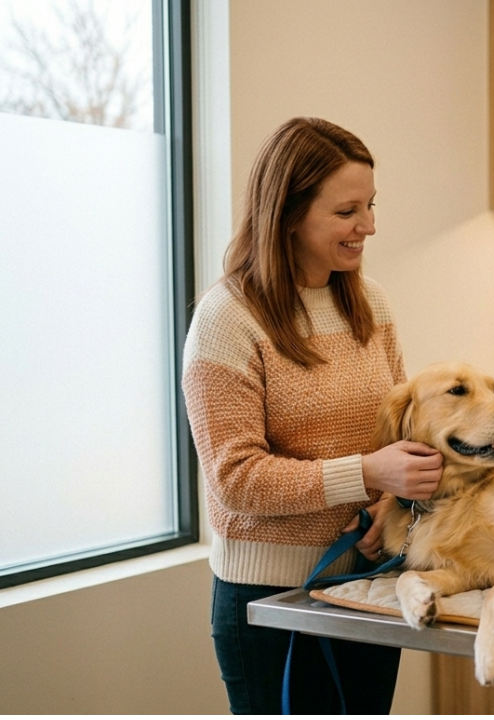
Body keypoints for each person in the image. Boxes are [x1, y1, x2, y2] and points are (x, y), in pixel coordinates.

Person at [182, 117, 442, 714]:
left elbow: (398, 431)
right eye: (348, 211)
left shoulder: (370, 302)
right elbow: (235, 478)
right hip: (267, 597)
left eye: (371, 205)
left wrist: (389, 504)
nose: (369, 226)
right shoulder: (227, 320)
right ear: (290, 213)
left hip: (366, 582)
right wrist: (370, 475)